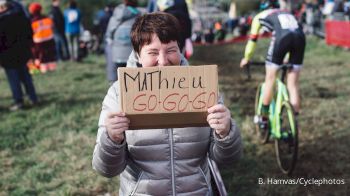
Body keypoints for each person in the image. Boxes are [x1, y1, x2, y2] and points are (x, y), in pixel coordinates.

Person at [92, 12, 242, 195]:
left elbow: (228, 160)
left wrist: (225, 133)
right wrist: (112, 139)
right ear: (138, 55)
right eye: (153, 52)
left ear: (180, 49)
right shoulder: (118, 94)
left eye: (171, 50)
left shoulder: (202, 87)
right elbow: (106, 169)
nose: (163, 62)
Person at [240, 0, 306, 129]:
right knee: (293, 84)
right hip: (300, 37)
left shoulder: (259, 17)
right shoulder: (286, 13)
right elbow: (292, 33)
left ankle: (263, 117)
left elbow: (252, 41)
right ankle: (295, 120)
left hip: (282, 38)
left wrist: (246, 58)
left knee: (270, 78)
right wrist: (286, 58)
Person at [0, 0, 38, 110]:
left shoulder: (1, 21)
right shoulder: (21, 16)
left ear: (2, 8)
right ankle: (33, 98)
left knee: (14, 80)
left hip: (7, 56)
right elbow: (30, 33)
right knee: (27, 77)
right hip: (24, 52)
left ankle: (19, 101)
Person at [104, 0, 140, 83]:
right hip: (132, 52)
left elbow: (109, 34)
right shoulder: (138, 16)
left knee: (118, 80)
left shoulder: (116, 15)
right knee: (132, 79)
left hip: (117, 52)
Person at [29, 2, 57, 73]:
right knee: (50, 54)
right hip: (49, 39)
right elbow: (52, 26)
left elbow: (31, 32)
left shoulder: (32, 22)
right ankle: (52, 69)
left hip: (38, 41)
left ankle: (44, 70)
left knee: (42, 56)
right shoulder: (47, 18)